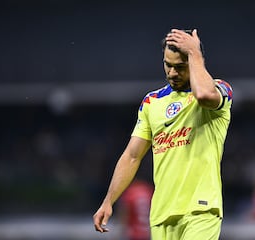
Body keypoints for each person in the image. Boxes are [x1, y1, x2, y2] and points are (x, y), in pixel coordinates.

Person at [93, 28, 233, 240]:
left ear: (194, 61)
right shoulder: (152, 101)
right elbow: (132, 155)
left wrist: (195, 52)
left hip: (201, 210)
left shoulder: (219, 90)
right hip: (161, 214)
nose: (172, 73)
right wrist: (108, 200)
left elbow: (204, 94)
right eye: (168, 65)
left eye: (180, 67)